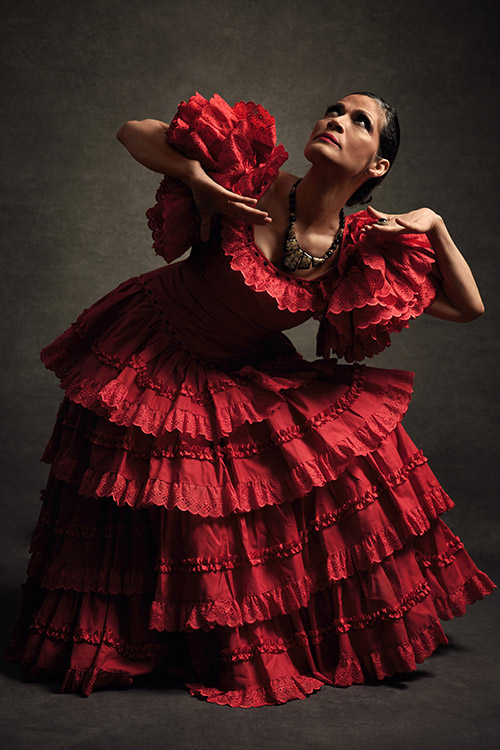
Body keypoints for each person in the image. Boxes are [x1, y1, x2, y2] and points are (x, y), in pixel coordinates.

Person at [4, 91, 496, 708]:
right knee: (147, 504)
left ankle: (259, 630)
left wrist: (436, 224)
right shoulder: (254, 175)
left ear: (378, 167)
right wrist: (194, 179)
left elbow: (466, 306)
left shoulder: (364, 244)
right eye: (335, 111)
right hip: (154, 351)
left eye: (359, 121)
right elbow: (132, 131)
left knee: (352, 456)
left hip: (239, 372)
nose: (337, 122)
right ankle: (142, 634)